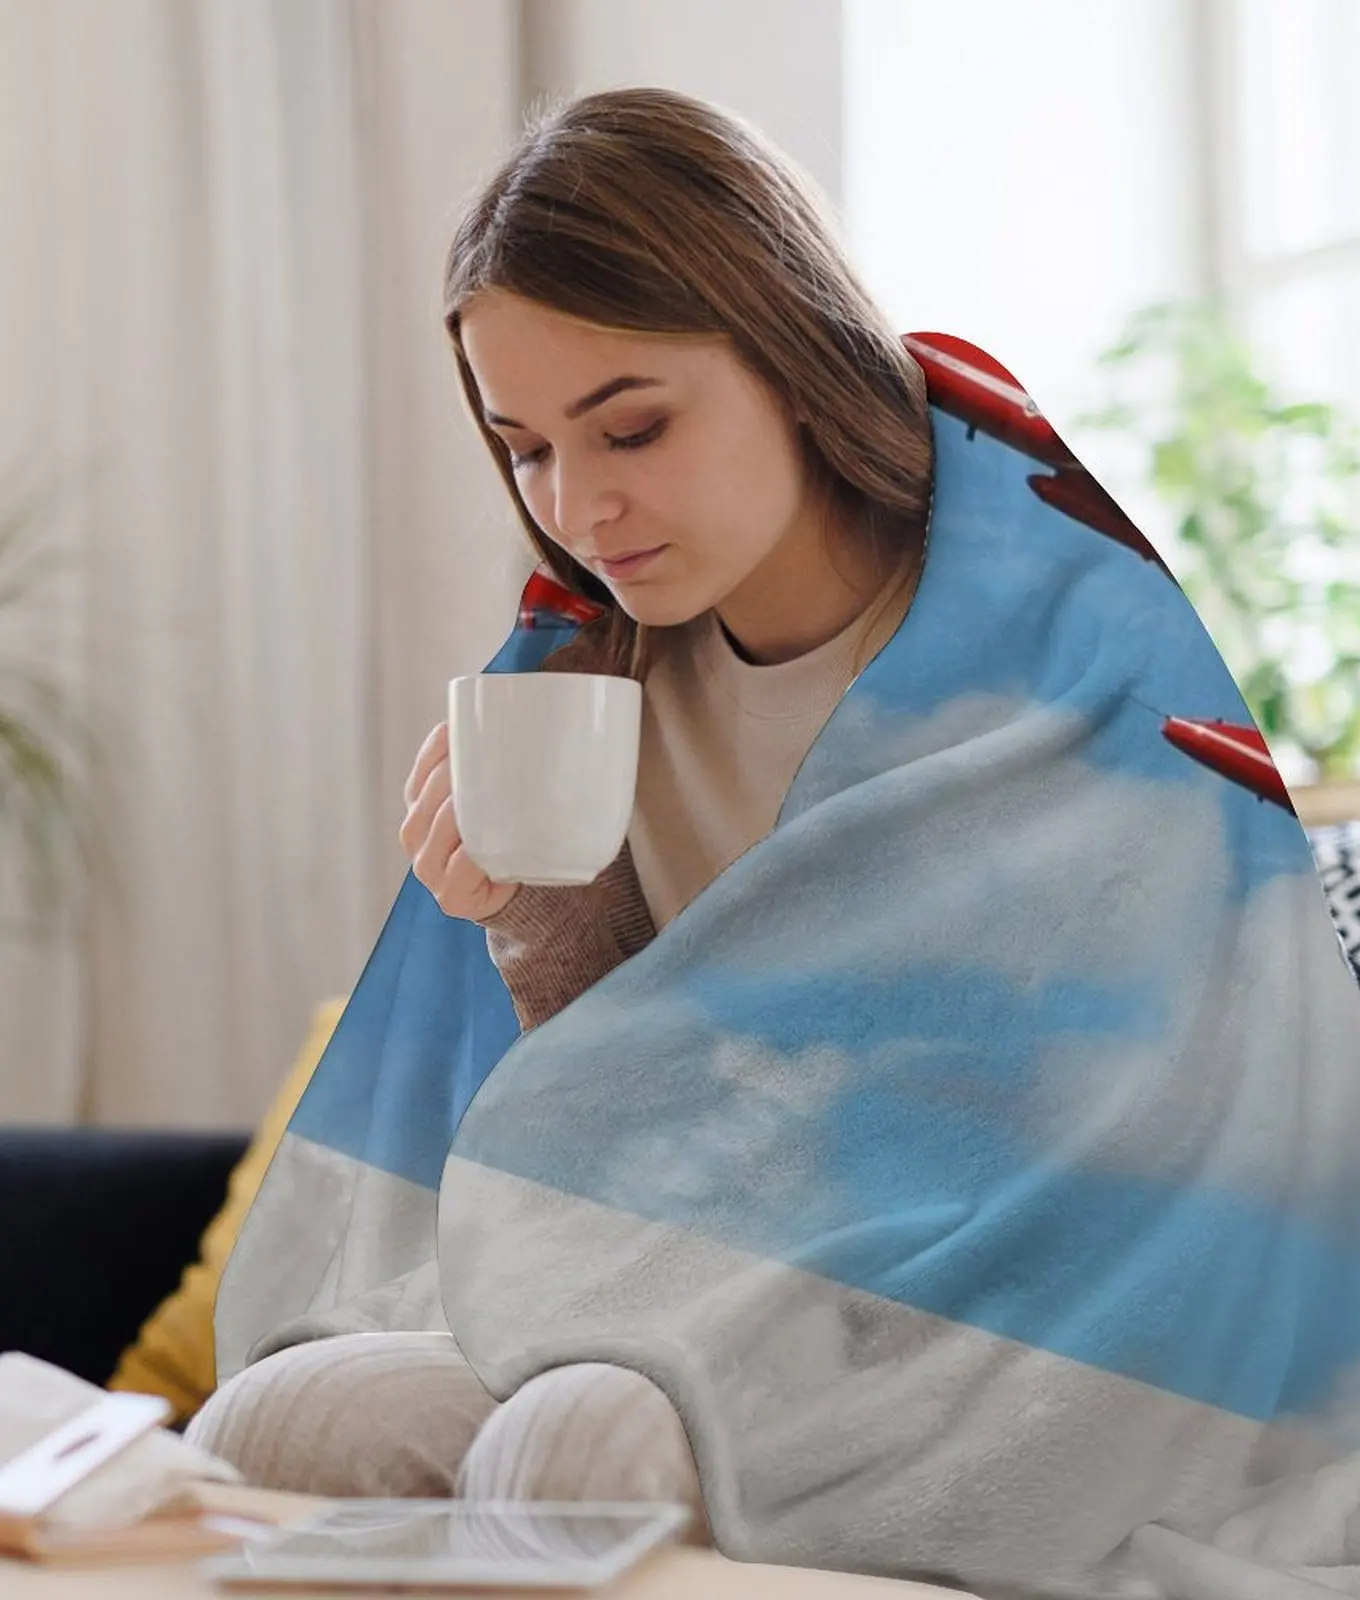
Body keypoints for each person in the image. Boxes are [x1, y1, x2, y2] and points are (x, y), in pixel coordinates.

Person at [184, 84, 932, 1529]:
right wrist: (532, 912)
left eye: (631, 429)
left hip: (963, 1300)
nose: (577, 509)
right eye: (526, 448)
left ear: (789, 353)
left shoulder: (1016, 661)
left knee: (577, 1452)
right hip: (667, 1274)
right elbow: (625, 1121)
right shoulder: (596, 671)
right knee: (270, 1419)